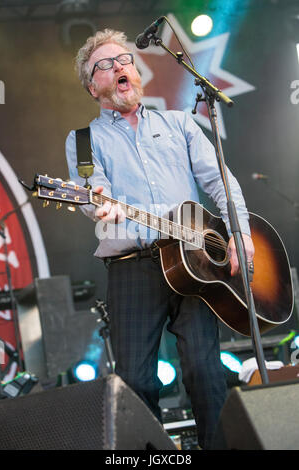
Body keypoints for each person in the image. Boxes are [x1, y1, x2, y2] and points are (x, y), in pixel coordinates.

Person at [65, 28, 254, 450]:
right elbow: (92, 194)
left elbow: (221, 182)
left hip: (194, 262)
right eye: (105, 65)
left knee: (206, 372)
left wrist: (239, 232)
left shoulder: (178, 122)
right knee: (135, 381)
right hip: (133, 268)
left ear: (136, 71)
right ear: (93, 86)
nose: (119, 67)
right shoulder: (83, 141)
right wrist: (101, 205)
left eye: (125, 60)